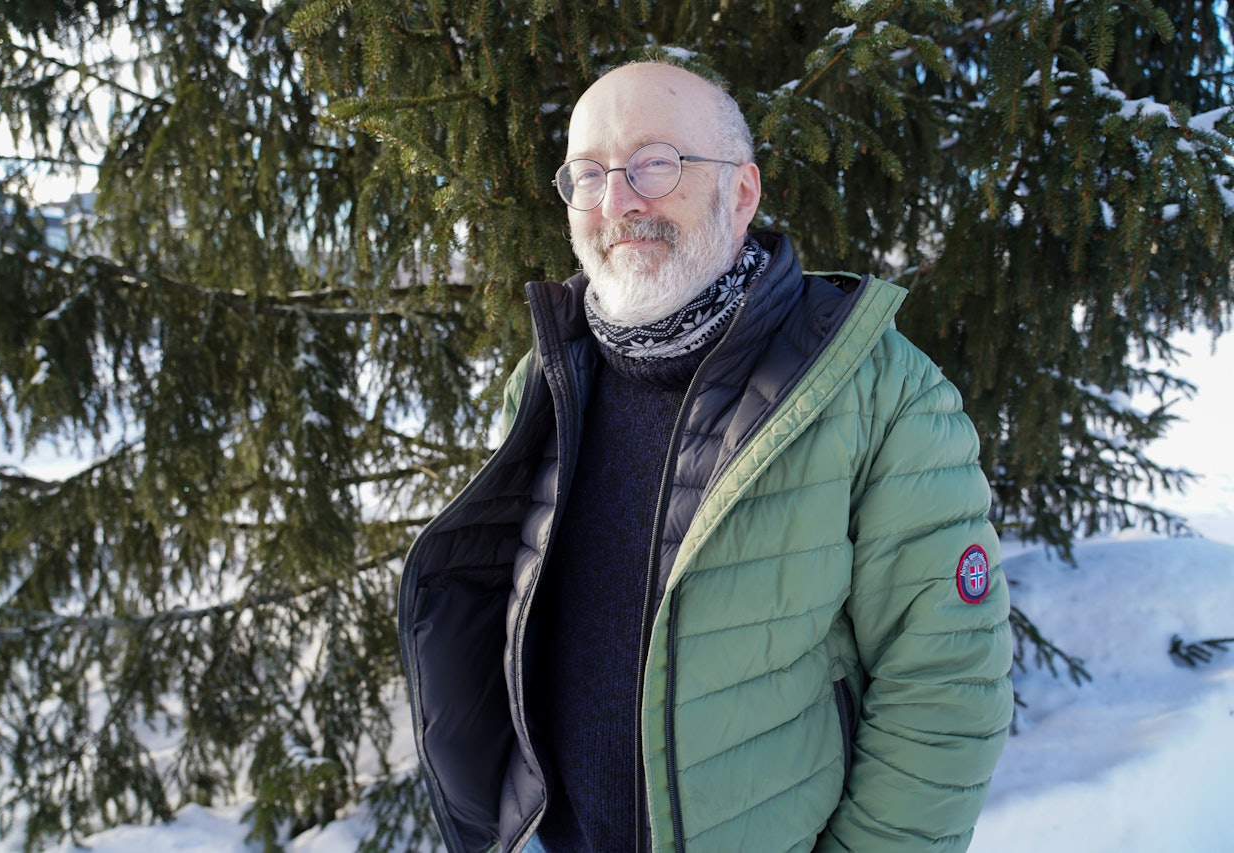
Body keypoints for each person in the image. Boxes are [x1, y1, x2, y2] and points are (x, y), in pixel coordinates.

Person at [398, 61, 1013, 853]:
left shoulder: (878, 390)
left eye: (656, 164)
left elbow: (947, 688)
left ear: (743, 193)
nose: (619, 203)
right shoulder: (548, 380)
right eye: (588, 175)